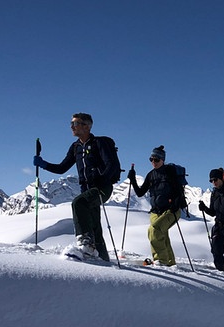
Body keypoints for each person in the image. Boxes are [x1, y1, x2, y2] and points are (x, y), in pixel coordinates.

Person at [33, 112, 120, 261]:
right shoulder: (75, 147)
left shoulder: (99, 143)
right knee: (94, 225)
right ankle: (103, 258)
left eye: (75, 124)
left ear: (87, 126)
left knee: (79, 203)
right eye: (71, 124)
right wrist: (43, 164)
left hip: (102, 188)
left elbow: (112, 165)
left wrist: (102, 179)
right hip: (87, 189)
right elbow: (62, 168)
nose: (72, 127)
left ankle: (85, 245)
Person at [127, 145, 183, 266]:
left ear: (162, 159)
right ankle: (170, 263)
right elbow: (140, 192)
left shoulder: (170, 172)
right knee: (161, 236)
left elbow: (179, 191)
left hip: (170, 211)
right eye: (151, 159)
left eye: (156, 160)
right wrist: (133, 180)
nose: (153, 162)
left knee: (154, 231)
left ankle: (160, 261)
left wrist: (175, 204)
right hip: (155, 212)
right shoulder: (151, 175)